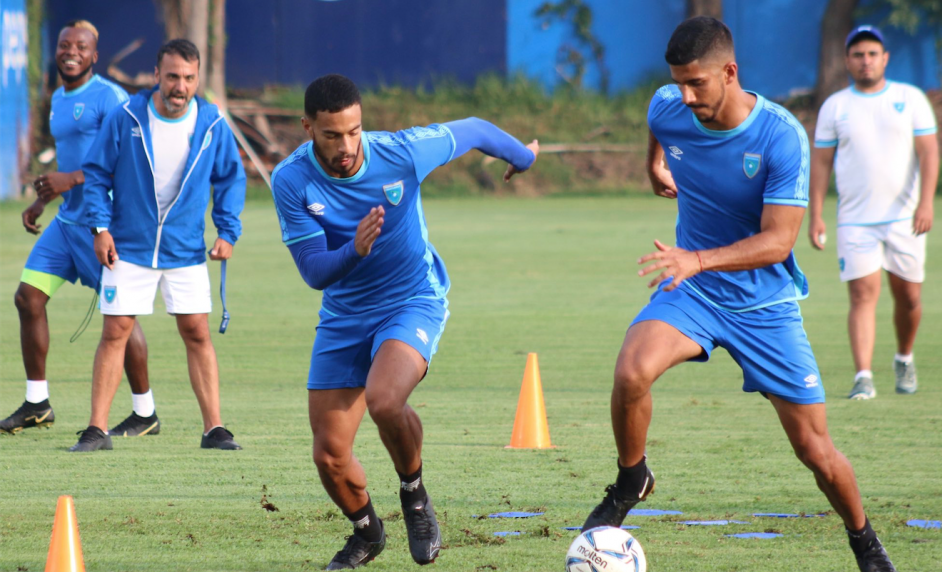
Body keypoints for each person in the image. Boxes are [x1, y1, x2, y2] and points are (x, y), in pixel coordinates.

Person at [581, 17, 896, 572]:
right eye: (678, 82)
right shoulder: (669, 106)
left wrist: (696, 258)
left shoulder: (779, 136)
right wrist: (652, 162)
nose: (686, 95)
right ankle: (633, 477)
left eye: (697, 83)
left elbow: (778, 242)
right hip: (695, 292)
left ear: (730, 72)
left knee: (815, 452)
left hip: (763, 307)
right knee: (631, 371)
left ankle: (864, 542)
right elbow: (658, 120)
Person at [270, 74, 538, 569]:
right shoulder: (291, 180)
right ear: (308, 127)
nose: (346, 145)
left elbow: (476, 128)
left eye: (354, 131)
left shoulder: (401, 152)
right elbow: (313, 271)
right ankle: (367, 532)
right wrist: (355, 248)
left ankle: (414, 496)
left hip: (411, 299)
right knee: (329, 456)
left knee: (385, 398)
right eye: (332, 135)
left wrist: (522, 157)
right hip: (344, 314)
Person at [72, 39, 246, 453]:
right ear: (156, 76)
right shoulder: (126, 115)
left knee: (197, 332)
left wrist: (227, 232)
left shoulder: (212, 122)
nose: (179, 86)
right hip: (128, 246)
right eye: (172, 77)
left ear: (197, 78)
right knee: (116, 330)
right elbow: (96, 174)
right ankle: (97, 430)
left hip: (185, 249)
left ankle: (214, 429)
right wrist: (100, 228)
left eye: (188, 78)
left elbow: (230, 179)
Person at [2, 20, 159, 438]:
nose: (71, 51)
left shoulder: (112, 98)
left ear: (94, 55)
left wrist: (68, 180)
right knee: (28, 298)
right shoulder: (57, 97)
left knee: (120, 319)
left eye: (81, 47)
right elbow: (75, 159)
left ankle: (145, 412)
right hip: (67, 221)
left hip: (101, 225)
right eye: (64, 44)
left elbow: (126, 162)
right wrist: (44, 197)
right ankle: (38, 403)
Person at [808, 25, 939, 400]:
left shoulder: (910, 98)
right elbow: (820, 163)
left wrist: (926, 203)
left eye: (871, 54)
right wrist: (816, 214)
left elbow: (929, 153)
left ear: (885, 59)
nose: (865, 61)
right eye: (857, 55)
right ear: (847, 61)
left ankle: (904, 357)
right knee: (863, 297)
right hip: (855, 220)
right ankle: (863, 376)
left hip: (905, 218)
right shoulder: (835, 106)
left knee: (909, 297)